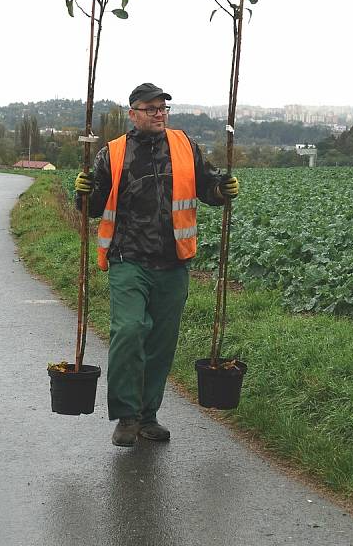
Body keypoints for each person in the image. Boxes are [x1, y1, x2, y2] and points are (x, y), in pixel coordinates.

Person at [74, 82, 239, 447]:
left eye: (163, 107)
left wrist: (221, 189)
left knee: (161, 344)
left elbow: (206, 184)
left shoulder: (184, 145)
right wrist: (82, 191)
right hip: (127, 259)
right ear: (132, 113)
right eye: (151, 108)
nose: (159, 113)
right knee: (129, 331)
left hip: (173, 262)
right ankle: (125, 417)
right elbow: (93, 206)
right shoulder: (113, 153)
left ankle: (148, 416)